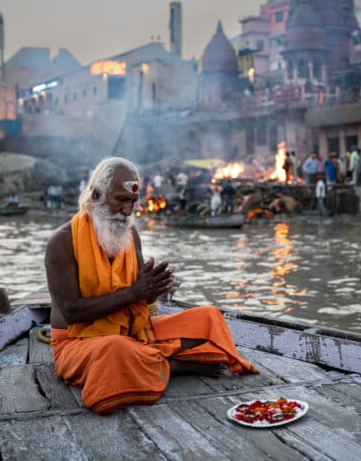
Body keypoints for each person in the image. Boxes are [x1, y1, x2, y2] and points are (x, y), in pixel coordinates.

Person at [45, 157, 257, 415]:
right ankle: (173, 365)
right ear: (97, 195)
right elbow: (72, 312)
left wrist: (153, 291)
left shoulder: (130, 234)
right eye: (120, 200)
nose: (127, 211)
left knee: (208, 317)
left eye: (133, 203)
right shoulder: (62, 242)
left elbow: (139, 300)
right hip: (78, 341)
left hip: (132, 331)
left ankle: (146, 361)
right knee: (114, 350)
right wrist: (135, 292)